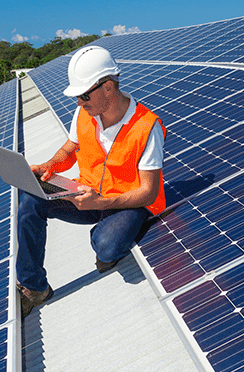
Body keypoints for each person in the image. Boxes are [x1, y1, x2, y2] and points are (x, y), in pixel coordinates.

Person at [16, 46, 166, 317]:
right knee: (30, 199)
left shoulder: (147, 127)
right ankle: (34, 287)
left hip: (126, 203)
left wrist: (102, 202)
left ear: (108, 88)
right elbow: (70, 149)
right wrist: (50, 165)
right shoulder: (85, 113)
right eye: (77, 96)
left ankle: (109, 233)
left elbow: (148, 192)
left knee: (106, 247)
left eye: (84, 95)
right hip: (85, 193)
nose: (79, 103)